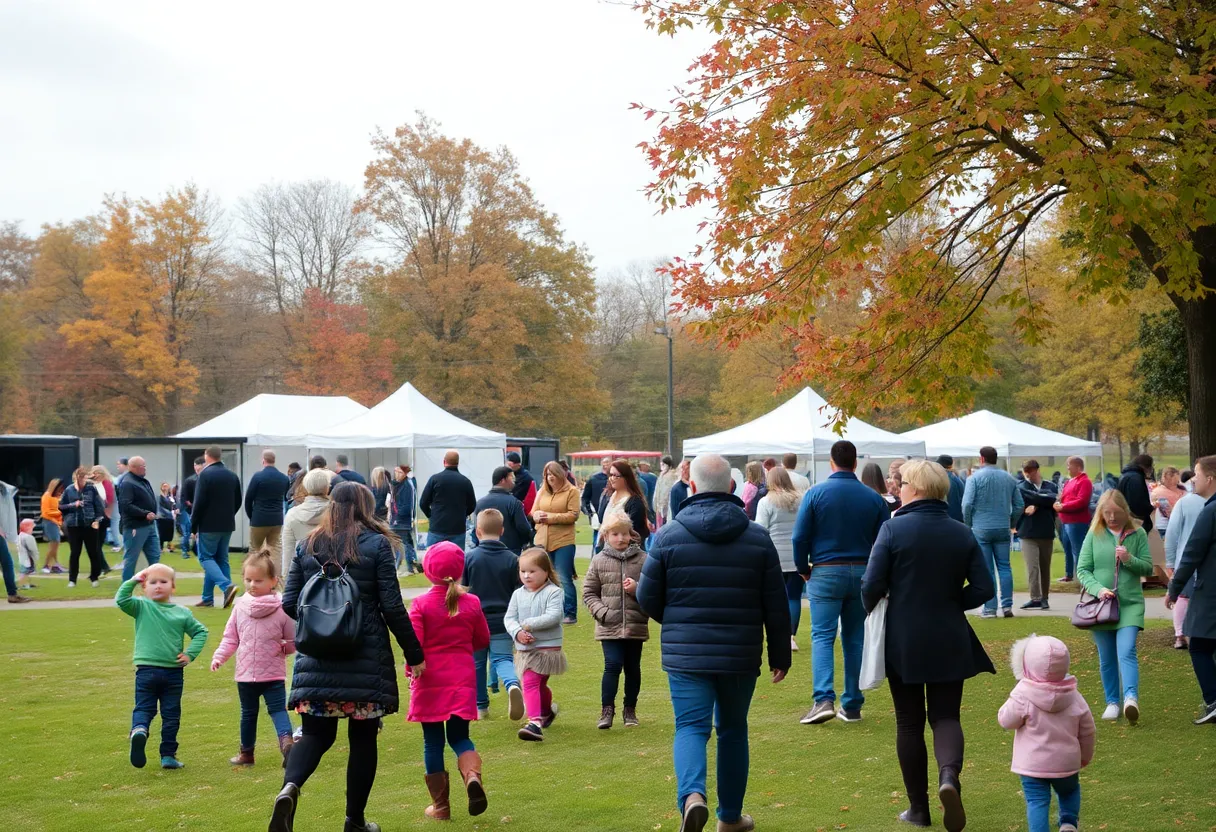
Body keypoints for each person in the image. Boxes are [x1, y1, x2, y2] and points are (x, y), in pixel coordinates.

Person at [638, 453, 791, 832]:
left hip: (686, 651)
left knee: (690, 727)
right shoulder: (757, 537)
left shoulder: (669, 535)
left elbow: (646, 597)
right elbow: (776, 602)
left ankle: (693, 796)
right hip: (739, 652)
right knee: (733, 730)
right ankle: (730, 817)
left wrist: (675, 622)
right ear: (732, 487)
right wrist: (780, 653)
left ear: (691, 486)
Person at [272, 481, 425, 832]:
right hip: (365, 658)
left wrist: (323, 623)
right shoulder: (376, 544)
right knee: (363, 739)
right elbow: (391, 607)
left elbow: (289, 603)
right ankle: (354, 821)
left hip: (317, 660)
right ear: (365, 507)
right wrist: (413, 653)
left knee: (314, 735)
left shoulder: (308, 545)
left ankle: (289, 788)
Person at [861, 459, 995, 831]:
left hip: (903, 636)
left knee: (908, 721)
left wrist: (873, 610)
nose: (897, 487)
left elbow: (871, 585)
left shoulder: (892, 529)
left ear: (915, 488)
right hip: (949, 632)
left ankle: (918, 808)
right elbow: (985, 589)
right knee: (946, 716)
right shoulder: (961, 532)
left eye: (901, 483)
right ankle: (948, 776)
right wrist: (952, 602)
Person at [792, 440, 889, 725]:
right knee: (854, 636)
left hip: (825, 569)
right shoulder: (873, 498)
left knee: (823, 635)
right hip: (862, 571)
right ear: (855, 463)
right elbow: (884, 540)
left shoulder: (816, 493)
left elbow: (800, 537)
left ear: (831, 462)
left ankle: (823, 698)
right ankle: (853, 703)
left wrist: (802, 567)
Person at [406, 540, 491, 820]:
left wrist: (411, 671)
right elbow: (482, 639)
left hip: (429, 680)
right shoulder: (472, 602)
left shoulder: (420, 604)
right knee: (460, 736)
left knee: (432, 742)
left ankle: (441, 806)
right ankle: (471, 777)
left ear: (429, 571)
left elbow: (414, 646)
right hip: (462, 679)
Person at [997, 635, 1095, 832]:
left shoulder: (1023, 693)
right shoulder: (1074, 695)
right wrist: (1084, 757)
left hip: (1032, 765)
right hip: (1066, 762)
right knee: (1069, 791)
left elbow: (1005, 720)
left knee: (1037, 801)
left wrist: (1018, 691)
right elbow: (1088, 729)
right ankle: (1068, 823)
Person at [210, 546, 297, 767]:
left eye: (258, 581)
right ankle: (247, 753)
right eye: (248, 580)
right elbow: (231, 638)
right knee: (249, 714)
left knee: (274, 710)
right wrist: (219, 656)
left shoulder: (282, 610)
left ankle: (285, 744)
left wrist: (282, 648)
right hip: (248, 675)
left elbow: (292, 640)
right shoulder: (240, 608)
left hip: (268, 675)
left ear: (273, 581)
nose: (251, 585)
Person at [117, 564, 209, 770]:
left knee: (152, 709)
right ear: (143, 588)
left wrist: (190, 654)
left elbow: (201, 632)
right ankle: (163, 751)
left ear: (173, 587)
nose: (158, 586)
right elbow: (121, 600)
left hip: (164, 672)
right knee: (170, 713)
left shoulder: (181, 613)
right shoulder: (141, 606)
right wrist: (134, 579)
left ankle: (142, 733)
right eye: (152, 582)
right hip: (157, 672)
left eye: (163, 582)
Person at [1077, 489, 1154, 723]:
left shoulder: (1138, 533)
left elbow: (1148, 568)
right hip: (1100, 606)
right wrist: (1098, 589)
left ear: (1125, 511)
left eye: (1116, 513)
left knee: (1127, 649)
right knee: (1106, 656)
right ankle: (1112, 701)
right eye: (1107, 513)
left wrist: (1129, 559)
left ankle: (1131, 698)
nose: (1111, 517)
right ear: (1100, 513)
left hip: (1129, 604)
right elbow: (1082, 570)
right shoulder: (1094, 534)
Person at [582, 511, 650, 729]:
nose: (620, 538)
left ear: (630, 534)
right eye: (614, 534)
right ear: (606, 535)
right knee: (612, 665)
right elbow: (589, 592)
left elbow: (653, 591)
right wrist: (602, 612)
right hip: (608, 624)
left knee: (632, 667)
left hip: (634, 623)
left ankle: (630, 709)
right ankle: (606, 710)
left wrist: (637, 589)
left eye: (623, 534)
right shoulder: (599, 560)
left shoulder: (643, 560)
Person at [1165, 455, 1216, 724]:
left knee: (1198, 646)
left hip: (1210, 592)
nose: (1192, 479)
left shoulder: (1211, 510)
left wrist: (1173, 588)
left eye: (1196, 474)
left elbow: (1192, 552)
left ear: (1210, 478)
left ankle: (1213, 701)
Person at [462, 510, 525, 721]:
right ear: (502, 531)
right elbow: (519, 593)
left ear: (478, 531)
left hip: (475, 620)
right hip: (503, 620)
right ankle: (512, 684)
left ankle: (481, 706)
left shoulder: (470, 558)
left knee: (477, 664)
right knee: (503, 659)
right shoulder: (513, 559)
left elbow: (462, 590)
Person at [506, 548, 567, 742]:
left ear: (546, 571)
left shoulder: (554, 592)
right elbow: (509, 618)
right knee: (538, 685)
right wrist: (518, 632)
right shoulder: (517, 594)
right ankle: (546, 712)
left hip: (547, 649)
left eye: (532, 571)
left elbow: (554, 616)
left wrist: (528, 625)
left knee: (531, 682)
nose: (526, 575)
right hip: (525, 649)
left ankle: (535, 722)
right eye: (523, 571)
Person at [962, 446, 1024, 618]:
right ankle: (1007, 606)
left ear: (982, 459)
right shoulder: (1009, 478)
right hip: (1002, 526)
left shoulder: (974, 479)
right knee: (1005, 567)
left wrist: (968, 524)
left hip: (981, 527)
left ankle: (990, 608)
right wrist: (1011, 521)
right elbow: (1019, 505)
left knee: (987, 568)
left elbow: (966, 504)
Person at [756, 466, 802, 655]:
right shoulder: (801, 500)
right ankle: (791, 636)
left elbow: (760, 529)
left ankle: (776, 634)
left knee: (773, 598)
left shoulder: (766, 502)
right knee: (794, 597)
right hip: (797, 555)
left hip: (774, 556)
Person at [191, 446, 243, 609]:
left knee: (205, 558)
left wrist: (193, 526)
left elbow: (198, 503)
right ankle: (208, 598)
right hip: (226, 524)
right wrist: (229, 514)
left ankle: (226, 586)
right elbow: (238, 500)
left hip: (208, 524)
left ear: (207, 456)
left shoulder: (205, 475)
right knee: (220, 559)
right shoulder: (232, 475)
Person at [1165, 462, 1210, 650]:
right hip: (1207, 560)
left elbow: (1172, 533)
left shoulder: (1185, 502)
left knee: (1182, 596)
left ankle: (1180, 634)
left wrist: (1170, 560)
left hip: (1187, 557)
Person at [531, 461, 581, 624]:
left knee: (564, 577)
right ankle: (549, 611)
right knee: (544, 577)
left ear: (560, 475)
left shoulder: (572, 491)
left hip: (563, 541)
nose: (550, 477)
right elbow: (533, 511)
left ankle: (570, 613)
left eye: (553, 474)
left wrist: (550, 518)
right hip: (542, 540)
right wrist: (537, 516)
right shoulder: (542, 491)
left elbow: (573, 515)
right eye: (547, 474)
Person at [1016, 460, 1059, 611]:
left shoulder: (1050, 486)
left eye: (1031, 471)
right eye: (1025, 471)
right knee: (1032, 567)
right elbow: (1019, 503)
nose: (1028, 474)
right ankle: (1035, 597)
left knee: (1045, 566)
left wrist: (1039, 501)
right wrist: (1043, 501)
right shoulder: (1021, 487)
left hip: (1046, 531)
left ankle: (1044, 597)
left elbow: (1054, 499)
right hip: (1028, 533)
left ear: (1037, 470)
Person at [59, 467, 107, 588]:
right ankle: (72, 580)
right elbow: (61, 506)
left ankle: (94, 577)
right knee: (75, 552)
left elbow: (99, 505)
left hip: (90, 525)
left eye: (84, 477)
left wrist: (97, 520)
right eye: (80, 477)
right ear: (76, 478)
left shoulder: (91, 489)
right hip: (73, 526)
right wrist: (73, 505)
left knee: (93, 552)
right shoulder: (69, 490)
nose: (82, 480)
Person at [420, 450, 477, 550]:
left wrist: (431, 515)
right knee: (456, 562)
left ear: (444, 462)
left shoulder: (434, 479)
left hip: (437, 528)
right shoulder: (465, 481)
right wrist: (463, 514)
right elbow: (472, 505)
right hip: (457, 529)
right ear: (458, 463)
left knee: (434, 560)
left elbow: (423, 503)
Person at [117, 456, 161, 582]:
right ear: (133, 467)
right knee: (131, 558)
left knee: (155, 556)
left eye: (145, 465)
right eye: (142, 466)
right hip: (135, 527)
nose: (145, 468)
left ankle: (155, 586)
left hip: (150, 525)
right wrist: (144, 513)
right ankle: (125, 591)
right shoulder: (127, 483)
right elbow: (126, 505)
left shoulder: (142, 481)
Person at [281, 469, 331, 576]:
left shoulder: (292, 514)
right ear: (327, 487)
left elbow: (288, 550)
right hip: (331, 572)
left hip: (301, 572)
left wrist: (286, 577)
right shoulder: (336, 513)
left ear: (306, 487)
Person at [473, 466, 533, 555]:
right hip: (511, 551)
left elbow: (475, 529)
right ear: (502, 480)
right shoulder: (514, 503)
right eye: (511, 478)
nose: (514, 481)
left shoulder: (479, 503)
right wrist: (526, 541)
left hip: (484, 551)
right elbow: (523, 528)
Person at [1053, 457, 1093, 584]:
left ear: (1078, 467)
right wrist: (1058, 503)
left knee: (1078, 549)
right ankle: (1069, 574)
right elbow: (1064, 498)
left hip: (1077, 521)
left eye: (1069, 465)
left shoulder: (1084, 482)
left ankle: (1082, 576)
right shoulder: (1069, 482)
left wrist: (1064, 506)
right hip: (1065, 520)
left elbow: (1082, 501)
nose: (1068, 468)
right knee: (1067, 548)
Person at [596, 459, 651, 550]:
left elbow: (634, 532)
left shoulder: (634, 502)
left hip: (626, 553)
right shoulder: (607, 496)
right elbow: (601, 519)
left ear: (626, 478)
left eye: (616, 476)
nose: (612, 478)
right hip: (604, 548)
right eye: (611, 475)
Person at [246, 450, 290, 550]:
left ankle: (254, 566)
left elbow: (248, 499)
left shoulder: (258, 477)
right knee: (274, 551)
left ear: (263, 460)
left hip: (259, 518)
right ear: (274, 460)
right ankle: (275, 566)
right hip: (277, 519)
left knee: (255, 550)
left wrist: (252, 516)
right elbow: (285, 498)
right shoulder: (284, 478)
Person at [389, 465, 418, 574]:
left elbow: (407, 505)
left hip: (402, 521)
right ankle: (406, 566)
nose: (396, 474)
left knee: (404, 544)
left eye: (399, 472)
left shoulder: (407, 485)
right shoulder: (395, 485)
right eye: (395, 471)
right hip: (395, 519)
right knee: (402, 544)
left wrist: (398, 514)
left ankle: (408, 567)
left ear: (405, 474)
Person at [581, 456, 612, 550]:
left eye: (608, 463)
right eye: (604, 463)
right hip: (598, 520)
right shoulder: (594, 480)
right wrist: (590, 513)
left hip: (613, 519)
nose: (606, 465)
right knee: (597, 545)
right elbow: (585, 499)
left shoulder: (617, 479)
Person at [90, 465, 118, 570]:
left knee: (95, 543)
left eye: (96, 473)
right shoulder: (96, 484)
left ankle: (103, 567)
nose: (94, 475)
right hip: (98, 516)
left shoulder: (105, 484)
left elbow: (108, 500)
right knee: (96, 543)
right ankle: (101, 566)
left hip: (101, 516)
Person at [1151, 466, 1186, 540]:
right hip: (1165, 525)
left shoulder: (1183, 490)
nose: (1177, 480)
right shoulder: (1158, 492)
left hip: (1178, 523)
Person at [179, 457, 203, 557]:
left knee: (197, 532)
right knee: (187, 532)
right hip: (188, 510)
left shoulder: (202, 479)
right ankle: (185, 551)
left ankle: (195, 549)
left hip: (197, 510)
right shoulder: (190, 481)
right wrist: (191, 505)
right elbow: (184, 498)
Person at [40, 478, 64, 572]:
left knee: (55, 544)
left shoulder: (54, 496)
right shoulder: (47, 496)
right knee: (54, 543)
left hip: (54, 522)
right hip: (49, 522)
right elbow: (46, 512)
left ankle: (55, 564)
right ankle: (46, 565)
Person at [505, 452, 537, 516]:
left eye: (509, 464)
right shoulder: (514, 474)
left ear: (516, 464)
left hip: (522, 511)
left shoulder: (525, 477)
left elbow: (516, 496)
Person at [936, 456, 966, 523]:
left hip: (951, 518)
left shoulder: (946, 479)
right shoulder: (955, 477)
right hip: (958, 517)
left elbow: (951, 502)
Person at [653, 456, 679, 527]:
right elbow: (658, 490)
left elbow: (667, 491)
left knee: (664, 525)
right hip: (659, 505)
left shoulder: (671, 475)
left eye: (664, 464)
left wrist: (663, 505)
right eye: (661, 464)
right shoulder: (662, 475)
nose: (662, 466)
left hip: (666, 505)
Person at [16, 519, 40, 585]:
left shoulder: (19, 536)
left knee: (25, 571)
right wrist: (36, 557)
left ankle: (26, 583)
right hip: (27, 558)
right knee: (25, 572)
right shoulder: (29, 537)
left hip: (21, 558)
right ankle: (22, 584)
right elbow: (33, 549)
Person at [156, 483, 177, 554]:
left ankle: (169, 547)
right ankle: (160, 548)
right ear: (161, 487)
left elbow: (173, 506)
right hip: (161, 517)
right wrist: (170, 513)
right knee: (161, 533)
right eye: (164, 486)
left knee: (170, 533)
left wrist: (174, 510)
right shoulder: (160, 497)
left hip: (170, 518)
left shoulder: (170, 498)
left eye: (166, 486)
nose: (165, 487)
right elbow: (160, 508)